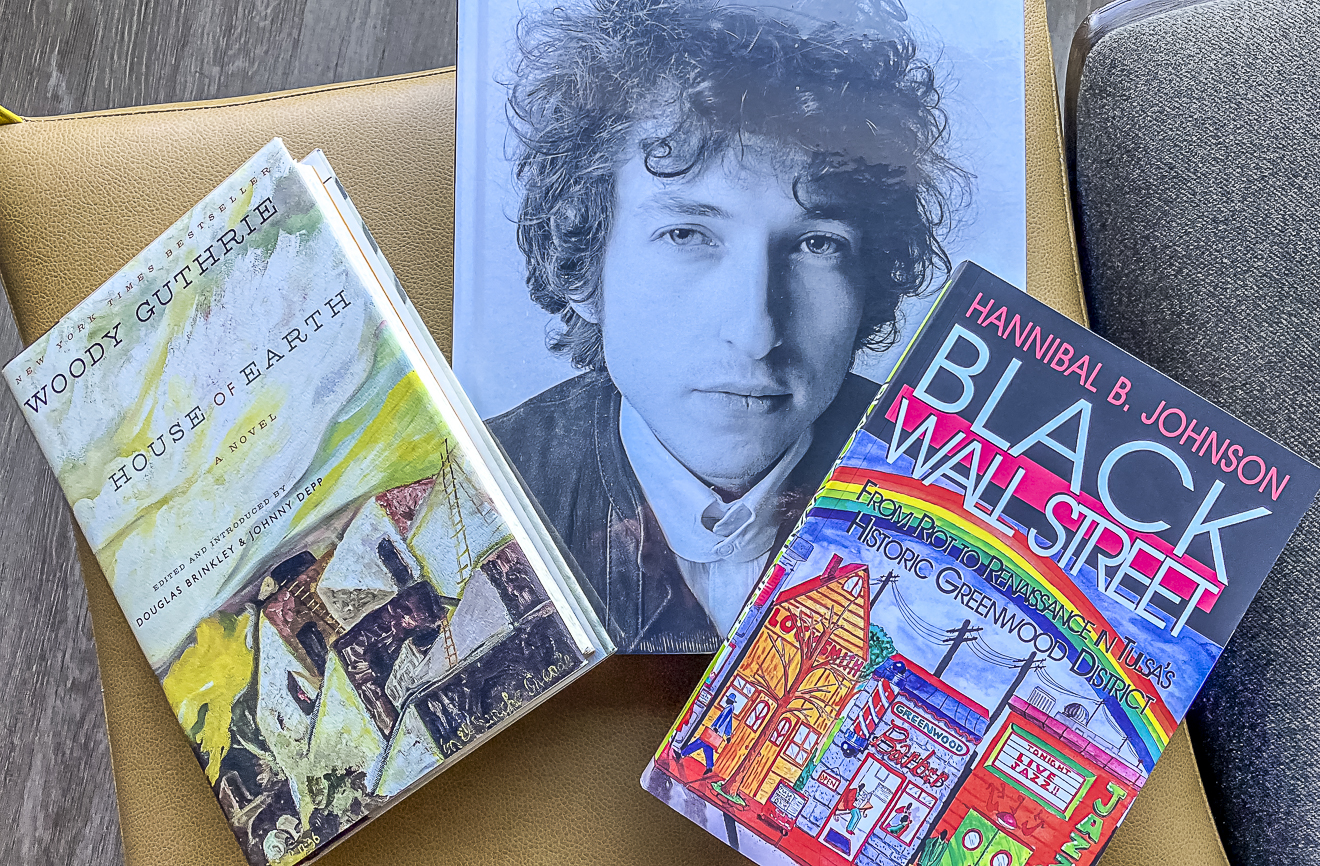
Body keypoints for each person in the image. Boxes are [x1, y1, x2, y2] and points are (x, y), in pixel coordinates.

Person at [489, 0, 966, 653]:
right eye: (687, 234)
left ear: (869, 281)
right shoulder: (480, 498)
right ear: (584, 263)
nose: (756, 332)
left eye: (818, 244)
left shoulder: (970, 505)